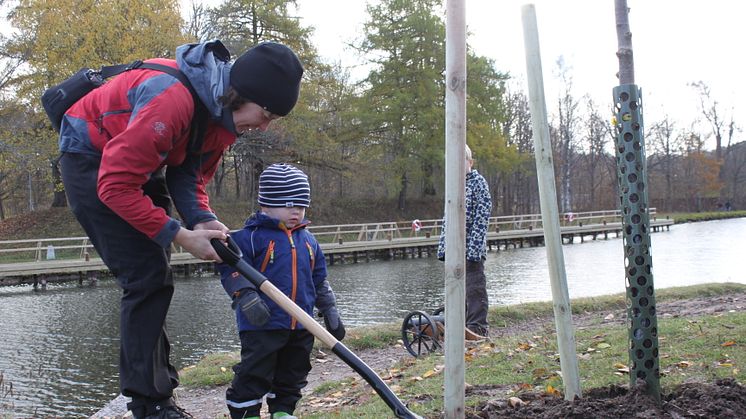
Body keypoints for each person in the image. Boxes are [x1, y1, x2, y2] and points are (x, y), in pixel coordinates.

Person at [56, 40, 303, 419]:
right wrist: (181, 235)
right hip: (89, 158)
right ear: (242, 94)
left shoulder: (222, 119)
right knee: (145, 276)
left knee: (156, 271)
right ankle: (150, 404)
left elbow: (188, 175)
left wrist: (202, 219)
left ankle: (156, 394)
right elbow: (116, 186)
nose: (264, 126)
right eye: (266, 113)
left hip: (138, 160)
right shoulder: (172, 100)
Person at [217, 163, 345, 419]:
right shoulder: (247, 237)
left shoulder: (309, 240)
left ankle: (282, 411)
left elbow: (319, 278)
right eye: (288, 205)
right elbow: (230, 270)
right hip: (262, 324)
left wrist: (329, 308)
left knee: (294, 371)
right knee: (255, 371)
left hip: (302, 324)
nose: (296, 212)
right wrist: (246, 295)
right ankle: (246, 412)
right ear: (266, 205)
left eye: (301, 205)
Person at [437, 144, 493, 337]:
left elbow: (482, 215)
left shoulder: (478, 183)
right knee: (455, 284)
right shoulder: (453, 186)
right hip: (454, 246)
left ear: (470, 162)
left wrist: (474, 248)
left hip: (471, 246)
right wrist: (444, 246)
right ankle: (456, 320)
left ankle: (478, 325)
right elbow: (447, 217)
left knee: (474, 286)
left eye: (463, 162)